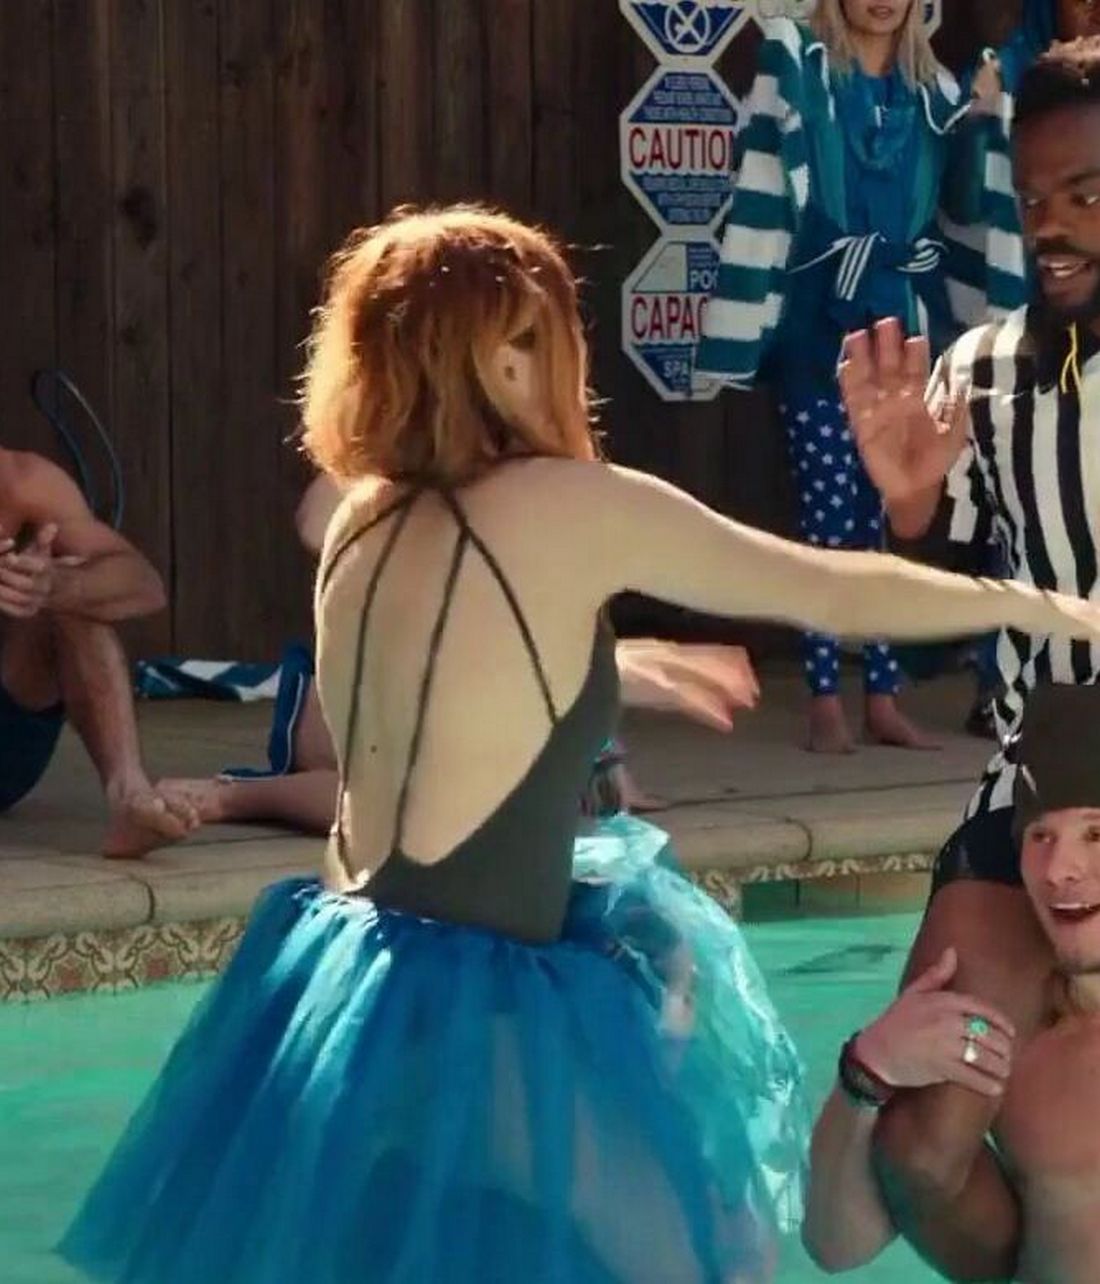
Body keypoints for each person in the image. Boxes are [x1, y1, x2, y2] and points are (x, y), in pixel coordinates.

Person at [58, 205, 1100, 1284]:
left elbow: (453, 666)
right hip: (477, 1003)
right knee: (720, 1262)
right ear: (508, 356)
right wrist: (1049, 610)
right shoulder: (563, 506)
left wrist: (620, 662)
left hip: (342, 981)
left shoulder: (358, 516)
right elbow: (824, 588)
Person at [834, 39, 1100, 1280]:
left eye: (1084, 193)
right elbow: (937, 585)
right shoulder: (980, 372)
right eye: (1032, 196)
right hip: (1034, 792)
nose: (1050, 226)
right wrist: (904, 508)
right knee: (919, 1149)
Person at [695, 0, 1017, 754]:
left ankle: (881, 695)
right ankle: (823, 697)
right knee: (826, 518)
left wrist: (984, 122)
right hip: (819, 323)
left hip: (903, 322)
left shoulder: (935, 93)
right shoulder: (803, 71)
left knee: (885, 521)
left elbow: (966, 204)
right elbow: (768, 174)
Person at [157, 472, 762, 834]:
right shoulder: (393, 468)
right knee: (402, 806)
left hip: (466, 711)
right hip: (360, 698)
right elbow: (317, 523)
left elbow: (565, 630)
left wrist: (608, 776)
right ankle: (237, 796)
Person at [803, 683, 1100, 1284]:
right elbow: (836, 1246)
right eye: (1040, 836)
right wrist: (865, 1073)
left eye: (1096, 834)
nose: (1059, 870)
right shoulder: (1009, 1047)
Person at [0, 447, 197, 858]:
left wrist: (54, 584)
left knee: (77, 589)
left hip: (9, 738)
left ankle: (129, 794)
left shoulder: (22, 482)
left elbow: (144, 585)